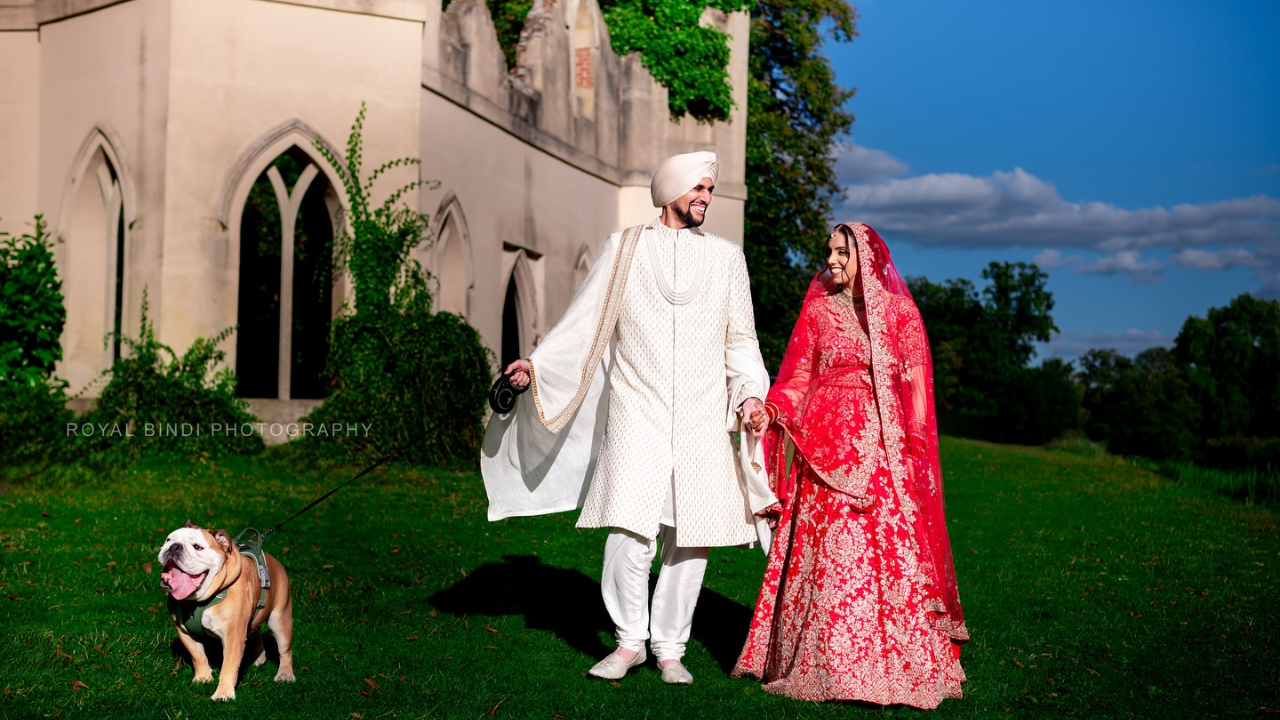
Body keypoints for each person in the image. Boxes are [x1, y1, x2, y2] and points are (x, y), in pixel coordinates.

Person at [480, 151, 777, 685]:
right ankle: (627, 643)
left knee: (691, 537)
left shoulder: (729, 259)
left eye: (711, 190)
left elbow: (741, 339)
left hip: (703, 418)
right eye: (699, 189)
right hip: (636, 409)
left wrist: (751, 394)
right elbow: (583, 319)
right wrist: (537, 365)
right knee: (628, 528)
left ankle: (669, 648)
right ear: (671, 192)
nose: (707, 198)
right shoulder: (626, 248)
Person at [732, 222, 967, 708]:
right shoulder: (817, 312)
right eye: (829, 252)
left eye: (843, 252)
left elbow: (918, 394)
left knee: (880, 550)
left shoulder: (900, 314)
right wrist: (769, 410)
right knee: (828, 548)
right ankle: (824, 662)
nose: (833, 260)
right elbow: (797, 376)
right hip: (822, 448)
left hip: (882, 452)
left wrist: (912, 454)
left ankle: (891, 664)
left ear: (868, 256)